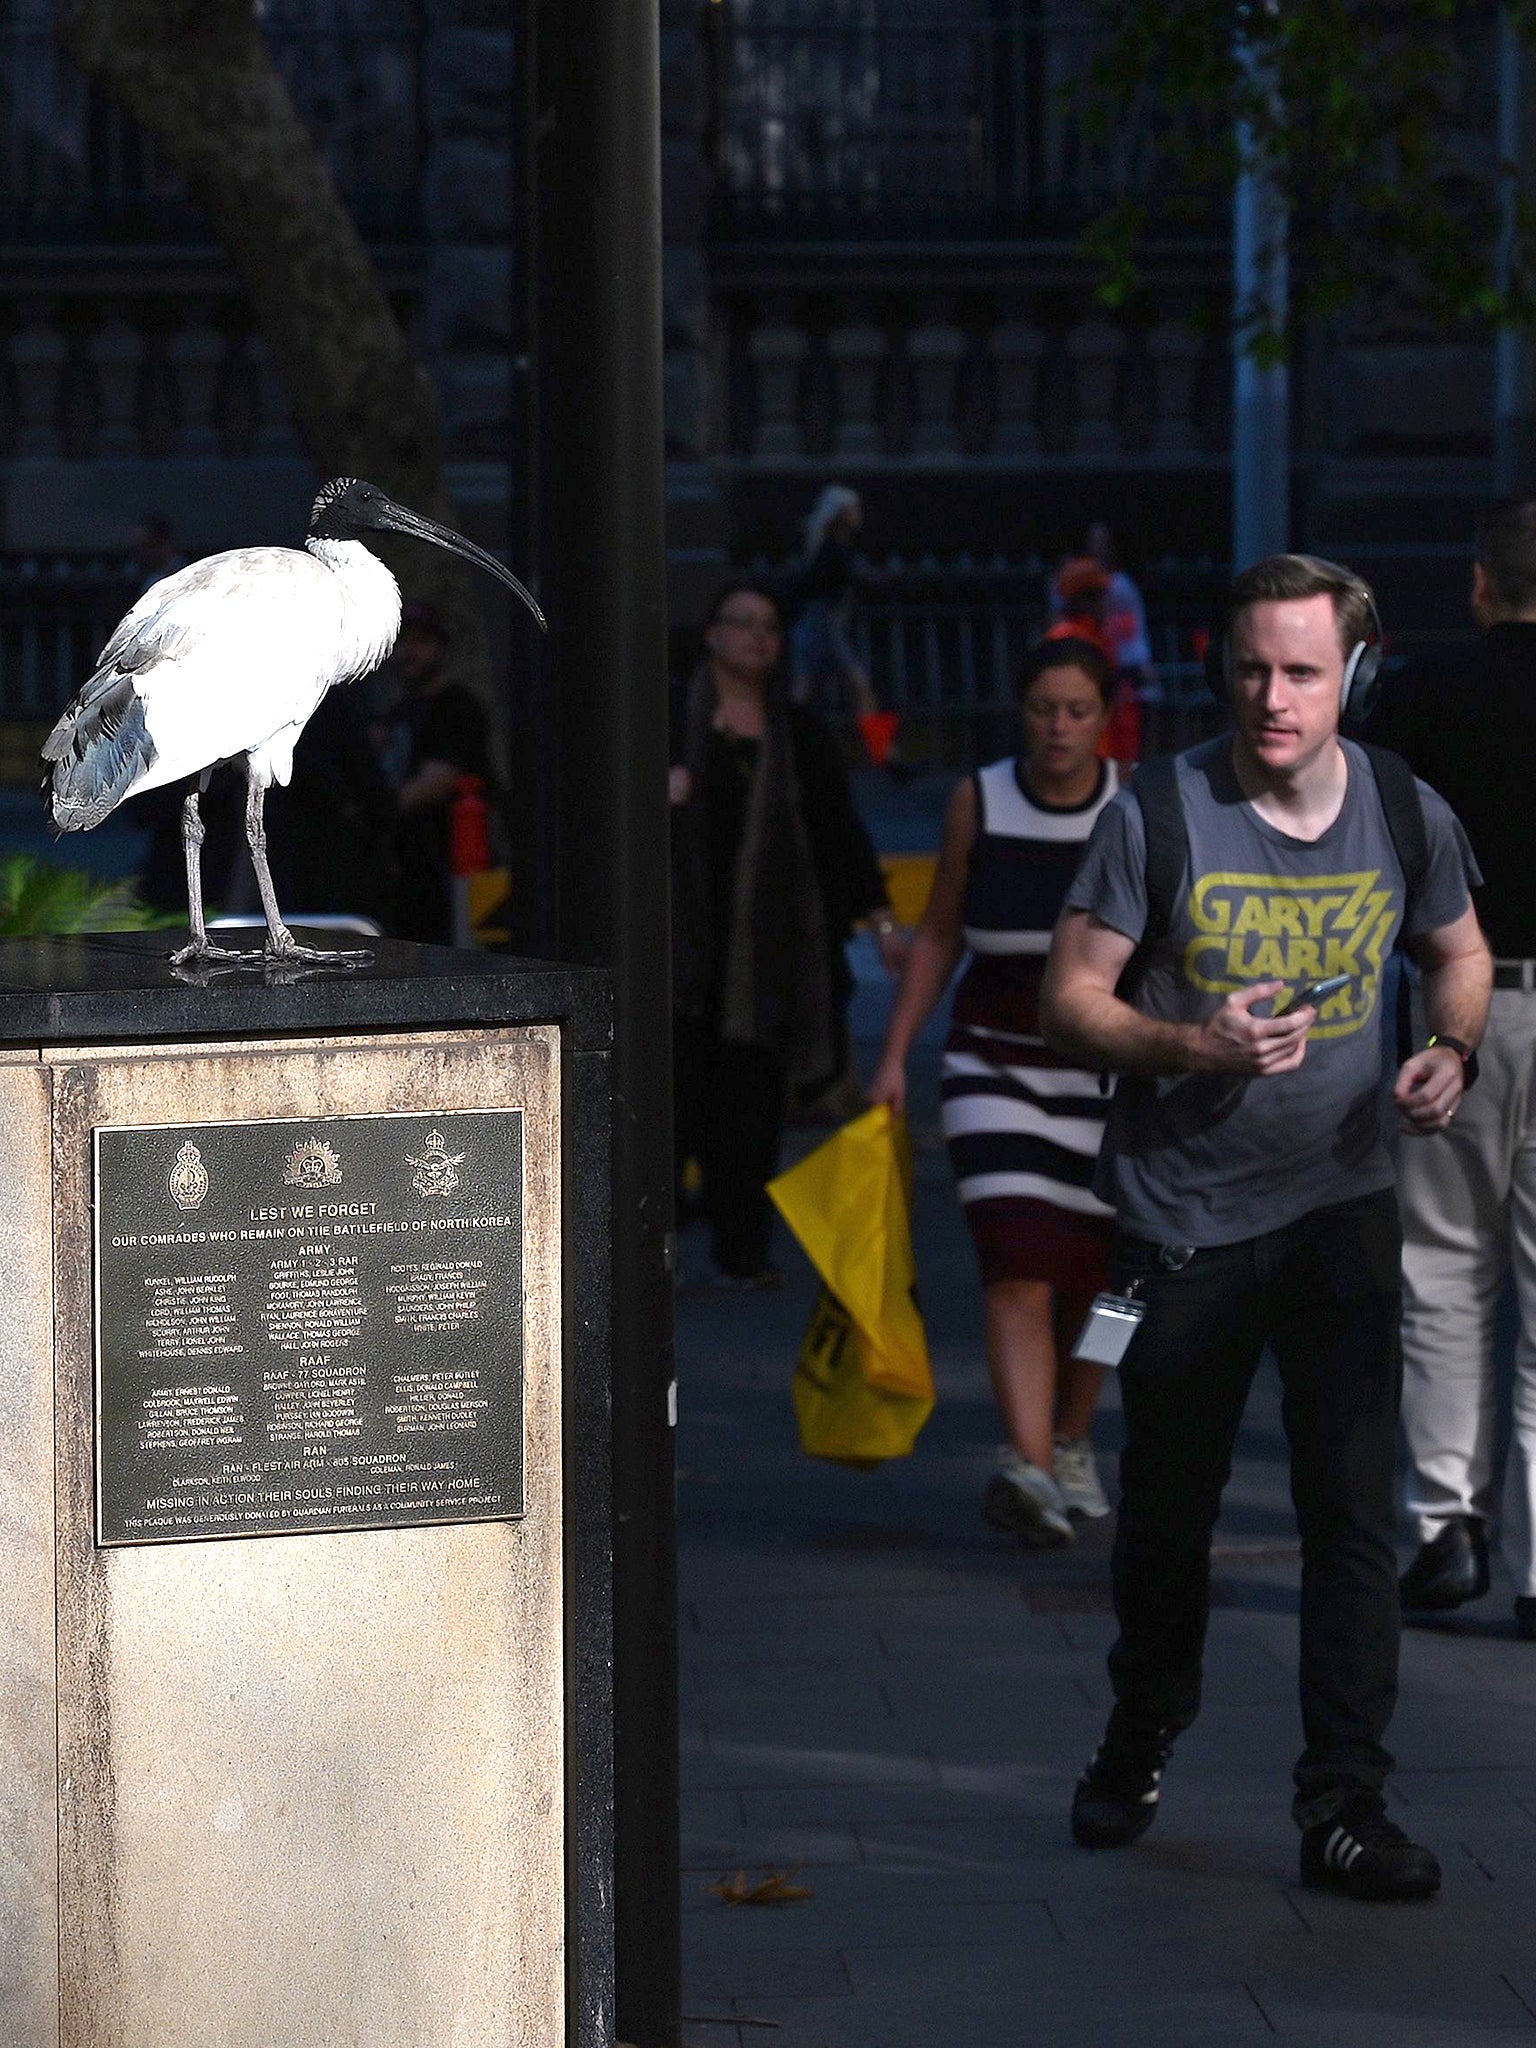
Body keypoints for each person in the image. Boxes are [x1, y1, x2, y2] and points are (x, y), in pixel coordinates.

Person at [1040, 553, 1489, 1901]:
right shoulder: (1161, 812)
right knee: (1168, 1521)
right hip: (1182, 1225)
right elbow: (1070, 999)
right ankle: (1143, 1725)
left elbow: (1459, 951)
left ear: (1351, 668)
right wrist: (1190, 1040)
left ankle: (1344, 1802)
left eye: (1301, 670)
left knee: (1352, 1516)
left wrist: (1452, 1051)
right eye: (1250, 667)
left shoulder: (1404, 810)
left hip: (1344, 1211)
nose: (1272, 696)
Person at [869, 636, 1121, 1546]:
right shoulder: (982, 797)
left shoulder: (1134, 805)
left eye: (1077, 711)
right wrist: (896, 1054)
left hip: (1106, 1072)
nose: (1058, 728)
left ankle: (1072, 1434)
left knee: (1110, 1285)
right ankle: (1027, 1464)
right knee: (1017, 1262)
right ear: (1020, 712)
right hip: (994, 1060)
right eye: (1042, 708)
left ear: (1105, 717)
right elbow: (939, 932)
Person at [1373, 497, 1536, 1637]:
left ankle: (1443, 1526)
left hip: (1453, 1005)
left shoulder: (1420, 691)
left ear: (1480, 581)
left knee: (1440, 1269)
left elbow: (1368, 851)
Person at [672, 581, 904, 1287]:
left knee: (750, 1110)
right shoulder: (668, 719)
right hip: (680, 951)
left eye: (769, 626)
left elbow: (838, 831)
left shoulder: (795, 732)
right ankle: (660, 1243)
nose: (758, 638)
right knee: (671, 1101)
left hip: (765, 957)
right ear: (712, 633)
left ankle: (742, 1249)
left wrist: (883, 920)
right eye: (742, 623)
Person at [374, 602, 493, 943]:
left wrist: (376, 812)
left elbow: (437, 782)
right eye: (403, 642)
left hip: (453, 865)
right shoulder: (396, 712)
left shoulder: (457, 707)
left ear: (441, 648)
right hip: (407, 870)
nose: (409, 652)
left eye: (421, 642)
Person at [787, 485, 878, 720]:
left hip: (819, 624)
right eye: (854, 508)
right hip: (825, 625)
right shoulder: (833, 550)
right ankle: (880, 751)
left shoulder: (828, 547)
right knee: (857, 688)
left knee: (807, 689)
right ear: (843, 514)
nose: (859, 513)